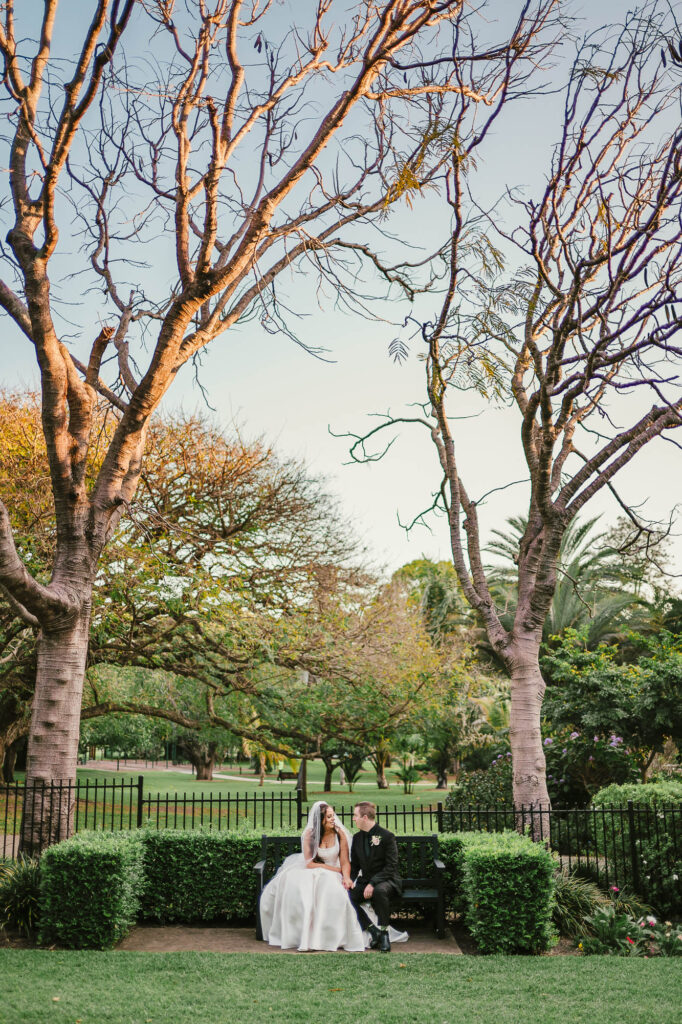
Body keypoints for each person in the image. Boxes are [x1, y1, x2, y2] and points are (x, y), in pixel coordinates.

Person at [258, 800, 364, 952]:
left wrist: (346, 877)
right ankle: (306, 936)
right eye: (328, 817)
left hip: (335, 871)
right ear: (320, 820)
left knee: (332, 889)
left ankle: (329, 936)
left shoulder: (340, 834)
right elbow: (309, 863)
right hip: (313, 868)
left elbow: (345, 862)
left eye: (333, 815)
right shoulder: (310, 835)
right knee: (303, 887)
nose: (333, 819)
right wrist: (332, 869)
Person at [349, 801, 403, 952]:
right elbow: (355, 865)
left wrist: (373, 883)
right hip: (365, 881)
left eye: (355, 816)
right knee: (346, 896)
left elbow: (391, 866)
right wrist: (349, 879)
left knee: (379, 891)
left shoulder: (387, 836)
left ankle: (384, 934)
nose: (353, 819)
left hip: (387, 880)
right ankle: (373, 930)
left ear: (364, 817)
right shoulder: (357, 838)